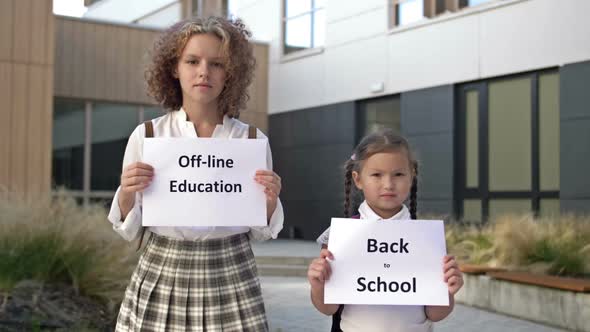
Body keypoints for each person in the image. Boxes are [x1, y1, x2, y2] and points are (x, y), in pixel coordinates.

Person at [107, 16, 283, 331]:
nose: (204, 71)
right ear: (174, 68)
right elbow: (129, 230)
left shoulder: (251, 141)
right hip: (162, 264)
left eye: (217, 63)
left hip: (231, 267)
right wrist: (128, 192)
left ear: (231, 73)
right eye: (192, 61)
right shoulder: (147, 135)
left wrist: (270, 200)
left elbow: (260, 232)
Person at [307, 129, 463, 332]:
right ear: (358, 179)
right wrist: (318, 286)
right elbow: (328, 308)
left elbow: (434, 313)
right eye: (376, 175)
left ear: (412, 175)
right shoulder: (339, 237)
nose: (388, 184)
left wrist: (448, 291)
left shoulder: (426, 240)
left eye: (398, 174)